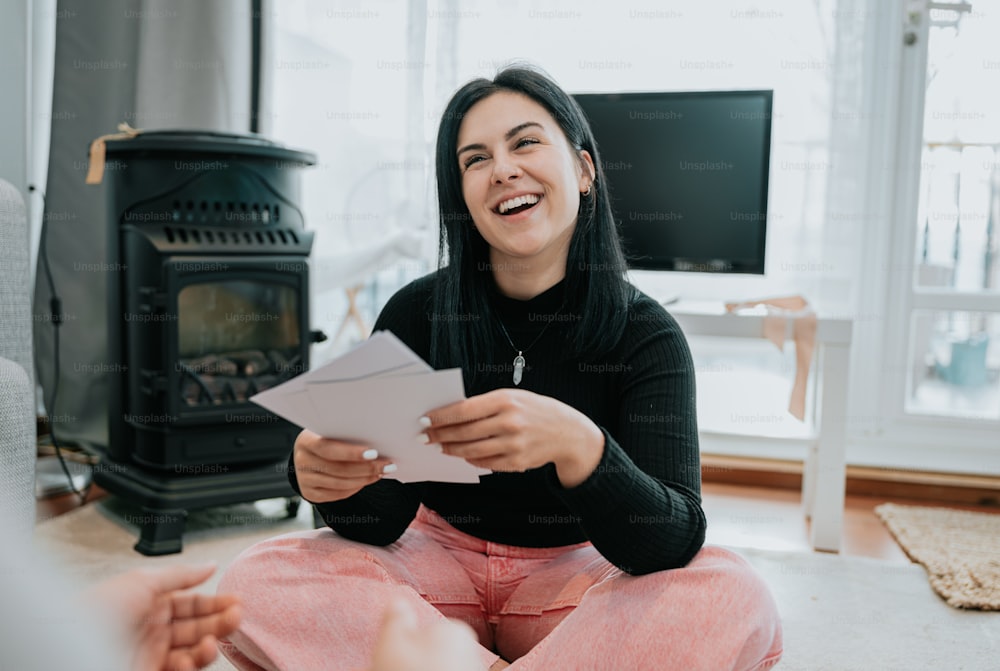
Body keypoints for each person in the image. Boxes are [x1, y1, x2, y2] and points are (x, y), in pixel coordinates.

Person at [217, 65, 783, 671]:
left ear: (584, 170)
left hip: (575, 584)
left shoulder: (647, 334)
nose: (504, 169)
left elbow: (669, 540)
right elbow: (377, 523)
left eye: (526, 142)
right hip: (433, 573)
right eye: (475, 159)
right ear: (461, 195)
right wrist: (327, 479)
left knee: (730, 591)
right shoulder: (416, 312)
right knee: (255, 580)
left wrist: (582, 449)